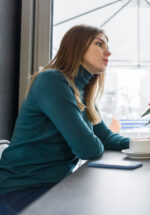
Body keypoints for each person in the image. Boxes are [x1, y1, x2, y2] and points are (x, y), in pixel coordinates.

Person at [0, 25, 130, 214]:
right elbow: (88, 148)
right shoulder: (52, 81)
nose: (108, 52)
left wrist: (147, 144)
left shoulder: (84, 93)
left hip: (54, 186)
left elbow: (107, 138)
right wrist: (95, 140)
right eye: (99, 44)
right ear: (77, 46)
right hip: (21, 190)